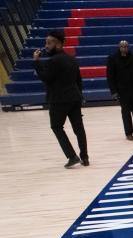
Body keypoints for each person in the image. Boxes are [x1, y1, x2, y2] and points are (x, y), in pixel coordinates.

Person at [33, 29, 88, 168]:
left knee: (57, 127)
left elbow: (46, 78)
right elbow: (78, 81)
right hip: (74, 98)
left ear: (58, 44)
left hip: (58, 100)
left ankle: (72, 156)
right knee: (79, 129)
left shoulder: (53, 61)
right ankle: (85, 157)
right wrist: (80, 97)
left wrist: (36, 62)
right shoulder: (72, 59)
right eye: (46, 43)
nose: (46, 46)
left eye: (49, 43)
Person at [107, 40, 133, 141]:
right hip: (122, 91)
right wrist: (114, 92)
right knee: (126, 113)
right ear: (119, 47)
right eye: (122, 46)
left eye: (126, 46)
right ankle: (128, 133)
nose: (124, 48)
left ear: (128, 47)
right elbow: (110, 77)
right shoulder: (112, 58)